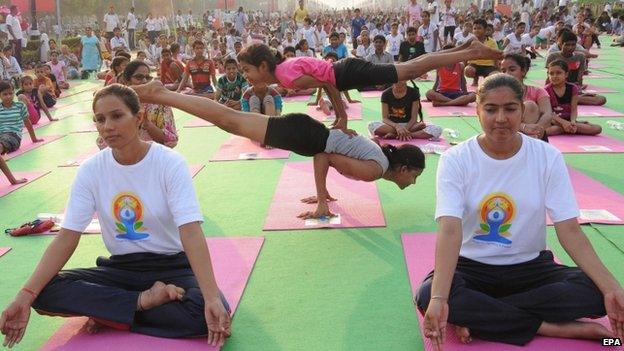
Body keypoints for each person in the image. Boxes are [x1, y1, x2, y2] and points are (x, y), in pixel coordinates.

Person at [0, 84, 231, 348]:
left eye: (117, 116)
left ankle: (111, 313)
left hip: (173, 268)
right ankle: (141, 302)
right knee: (42, 293)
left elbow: (190, 231)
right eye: (100, 119)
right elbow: (66, 238)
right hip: (121, 270)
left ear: (139, 117)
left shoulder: (170, 163)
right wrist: (24, 296)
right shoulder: (91, 171)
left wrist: (211, 297)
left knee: (205, 311)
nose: (107, 125)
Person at [416, 73, 624, 349]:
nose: (500, 118)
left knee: (597, 293)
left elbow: (569, 230)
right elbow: (450, 229)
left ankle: (481, 317)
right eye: (491, 109)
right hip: (471, 268)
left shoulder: (547, 157)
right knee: (429, 294)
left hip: (531, 269)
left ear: (523, 109)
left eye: (510, 109)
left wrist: (612, 288)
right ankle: (548, 326)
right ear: (477, 110)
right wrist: (441, 300)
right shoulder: (456, 160)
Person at [134, 80, 425, 219]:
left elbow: (334, 148)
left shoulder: (378, 157)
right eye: (415, 177)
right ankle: (163, 94)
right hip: (305, 135)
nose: (413, 183)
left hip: (307, 132)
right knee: (229, 120)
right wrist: (322, 202)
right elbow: (324, 155)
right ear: (403, 168)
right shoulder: (374, 170)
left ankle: (165, 94)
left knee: (230, 122)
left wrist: (323, 195)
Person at [236, 40, 502, 132]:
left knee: (411, 69)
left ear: (262, 66)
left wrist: (342, 116)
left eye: (247, 70)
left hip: (346, 72)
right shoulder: (283, 72)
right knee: (414, 65)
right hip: (346, 71)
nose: (246, 76)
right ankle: (466, 47)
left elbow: (329, 84)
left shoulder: (285, 77)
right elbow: (326, 84)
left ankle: (469, 52)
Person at [97, 61, 178, 149]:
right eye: (139, 77)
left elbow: (171, 141)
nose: (144, 81)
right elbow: (104, 143)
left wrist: (146, 124)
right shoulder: (116, 105)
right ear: (127, 81)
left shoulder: (160, 105)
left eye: (148, 78)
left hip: (154, 156)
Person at [546, 30, 606, 106]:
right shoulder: (553, 56)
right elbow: (549, 77)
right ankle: (569, 99)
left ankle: (569, 99)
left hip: (573, 89)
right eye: (567, 45)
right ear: (561, 44)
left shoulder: (580, 57)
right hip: (556, 89)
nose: (570, 47)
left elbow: (580, 77)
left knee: (601, 99)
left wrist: (578, 90)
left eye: (573, 45)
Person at [500, 54, 552, 140]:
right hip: (509, 135)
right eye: (503, 71)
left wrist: (536, 129)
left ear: (523, 71)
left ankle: (530, 145)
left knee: (529, 106)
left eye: (512, 69)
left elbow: (547, 114)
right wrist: (524, 127)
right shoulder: (498, 95)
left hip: (536, 135)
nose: (507, 74)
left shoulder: (538, 92)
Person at [369, 81, 442, 140]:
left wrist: (404, 130)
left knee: (437, 129)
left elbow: (414, 118)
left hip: (410, 125)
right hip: (392, 126)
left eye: (402, 79)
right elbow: (385, 118)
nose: (399, 82)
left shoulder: (413, 92)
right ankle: (406, 134)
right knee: (371, 125)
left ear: (407, 79)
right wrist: (397, 127)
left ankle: (397, 136)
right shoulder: (386, 94)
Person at [0, 81, 42, 186]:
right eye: (5, 94)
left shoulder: (20, 106)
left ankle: (12, 179)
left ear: (14, 93)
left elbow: (27, 122)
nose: (8, 96)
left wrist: (34, 139)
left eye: (10, 93)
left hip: (13, 136)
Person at [545, 60, 601, 136]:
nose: (555, 76)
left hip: (569, 120)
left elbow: (574, 109)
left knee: (597, 129)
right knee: (548, 131)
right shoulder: (546, 90)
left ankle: (569, 127)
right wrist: (564, 123)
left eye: (558, 73)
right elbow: (549, 113)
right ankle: (566, 128)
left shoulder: (573, 88)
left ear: (566, 74)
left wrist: (573, 122)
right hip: (554, 121)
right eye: (551, 73)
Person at [465, 19, 499, 87]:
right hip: (474, 65)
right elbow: (465, 55)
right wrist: (465, 66)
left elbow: (495, 55)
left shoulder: (492, 42)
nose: (476, 30)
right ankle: (475, 80)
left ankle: (486, 80)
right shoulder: (470, 42)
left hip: (489, 66)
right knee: (468, 70)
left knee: (495, 76)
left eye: (479, 28)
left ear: (485, 29)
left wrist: (497, 68)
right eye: (475, 28)